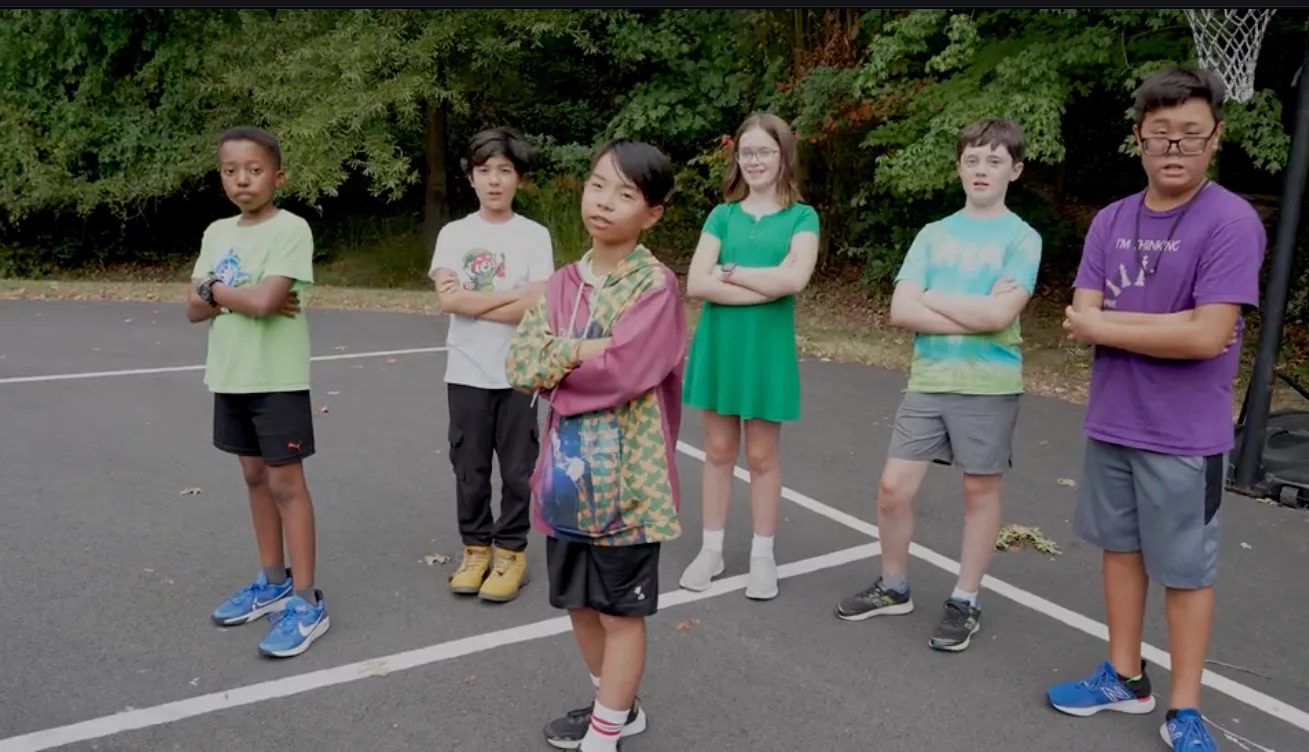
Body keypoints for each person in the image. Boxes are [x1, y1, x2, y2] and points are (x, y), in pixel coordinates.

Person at [1049, 66, 1263, 751]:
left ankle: (1185, 708)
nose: (1174, 149)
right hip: (1112, 418)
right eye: (1161, 136)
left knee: (1184, 570)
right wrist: (1162, 329)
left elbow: (1204, 336)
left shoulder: (1228, 220)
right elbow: (1077, 314)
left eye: (1190, 137)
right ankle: (1122, 676)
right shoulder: (1111, 219)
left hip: (1183, 435)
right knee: (1118, 550)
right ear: (1138, 137)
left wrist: (1113, 327)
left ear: (1214, 139)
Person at [832, 117, 1042, 653]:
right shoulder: (934, 233)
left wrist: (936, 300)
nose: (981, 169)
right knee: (892, 489)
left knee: (979, 494)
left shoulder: (1022, 238)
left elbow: (1001, 315)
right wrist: (974, 311)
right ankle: (894, 586)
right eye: (972, 159)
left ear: (1014, 170)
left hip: (989, 386)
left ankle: (965, 600)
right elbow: (901, 310)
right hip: (928, 380)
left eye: (994, 161)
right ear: (959, 167)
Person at [505, 139, 684, 752]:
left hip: (629, 485)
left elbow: (627, 371)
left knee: (620, 611)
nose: (605, 202)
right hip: (564, 477)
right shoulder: (561, 284)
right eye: (597, 185)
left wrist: (563, 368)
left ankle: (604, 732)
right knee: (578, 604)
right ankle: (617, 707)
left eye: (626, 194)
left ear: (652, 213)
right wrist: (580, 351)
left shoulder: (655, 287)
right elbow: (521, 362)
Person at [186, 126, 329, 658]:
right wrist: (229, 296)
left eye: (253, 169)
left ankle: (307, 600)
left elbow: (267, 302)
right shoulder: (216, 232)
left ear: (277, 176)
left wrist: (215, 290)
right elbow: (192, 309)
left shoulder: (291, 229)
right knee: (253, 478)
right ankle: (273, 581)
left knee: (287, 485)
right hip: (230, 375)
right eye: (230, 171)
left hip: (277, 379)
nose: (241, 179)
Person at [678, 112, 821, 601]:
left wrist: (731, 275)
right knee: (717, 452)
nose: (755, 160)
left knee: (762, 455)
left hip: (766, 351)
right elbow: (698, 283)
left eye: (764, 151)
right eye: (747, 152)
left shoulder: (803, 217)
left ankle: (763, 555)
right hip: (720, 345)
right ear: (736, 159)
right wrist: (765, 282)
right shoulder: (722, 215)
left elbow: (796, 280)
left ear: (784, 155)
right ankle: (711, 549)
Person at [429, 127, 555, 603]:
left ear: (519, 178)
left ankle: (511, 553)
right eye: (485, 171)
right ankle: (476, 547)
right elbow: (447, 302)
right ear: (471, 178)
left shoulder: (534, 236)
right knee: (470, 466)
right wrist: (510, 296)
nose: (495, 181)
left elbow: (537, 306)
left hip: (519, 372)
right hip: (465, 371)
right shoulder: (454, 234)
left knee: (519, 467)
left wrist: (472, 300)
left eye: (505, 171)